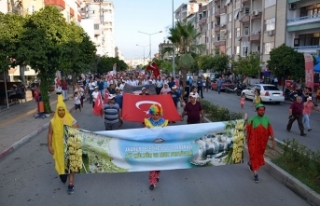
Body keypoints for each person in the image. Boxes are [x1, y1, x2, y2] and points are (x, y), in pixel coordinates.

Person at [47, 95, 79, 194]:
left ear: (65, 110)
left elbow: (77, 134)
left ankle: (71, 184)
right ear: (57, 111)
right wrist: (49, 145)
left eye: (63, 110)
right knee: (61, 169)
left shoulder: (72, 120)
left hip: (70, 148)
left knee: (70, 166)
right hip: (59, 149)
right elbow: (50, 134)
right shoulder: (52, 122)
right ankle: (63, 175)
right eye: (59, 110)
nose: (61, 112)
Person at [246, 103, 275, 183]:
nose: (262, 111)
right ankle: (255, 174)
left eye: (263, 110)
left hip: (262, 143)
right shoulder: (252, 120)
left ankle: (250, 163)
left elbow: (270, 131)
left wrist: (273, 140)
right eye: (260, 110)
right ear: (257, 111)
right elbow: (246, 128)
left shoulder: (267, 120)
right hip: (252, 142)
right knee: (253, 154)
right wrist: (246, 119)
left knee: (257, 155)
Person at [144, 104, 168, 191]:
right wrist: (146, 128)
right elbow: (144, 133)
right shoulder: (148, 121)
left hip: (161, 146)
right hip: (151, 147)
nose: (154, 116)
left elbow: (167, 133)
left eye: (156, 114)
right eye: (153, 114)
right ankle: (152, 182)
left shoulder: (163, 122)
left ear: (160, 114)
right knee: (152, 165)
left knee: (159, 164)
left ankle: (157, 175)